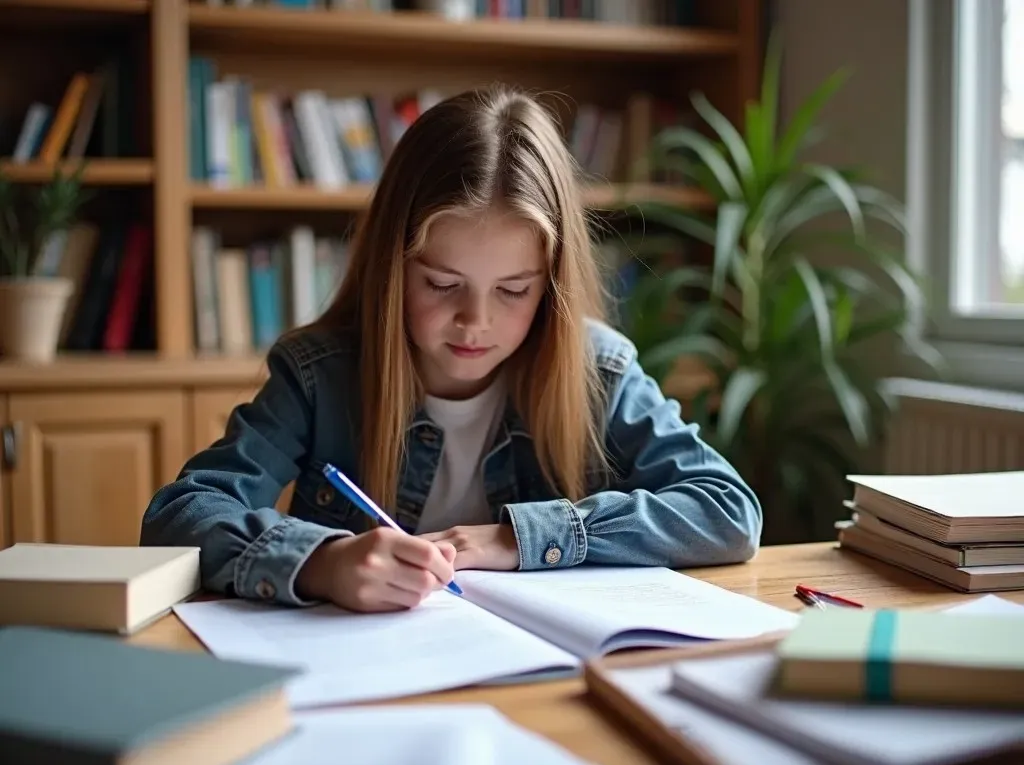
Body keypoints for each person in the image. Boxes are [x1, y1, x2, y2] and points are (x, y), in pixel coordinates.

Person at [140, 84, 762, 614]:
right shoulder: (319, 377)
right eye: (441, 284)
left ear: (552, 285)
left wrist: (520, 539)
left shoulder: (596, 370)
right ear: (393, 269)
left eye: (514, 291)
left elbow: (727, 510)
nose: (475, 322)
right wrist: (320, 562)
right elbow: (180, 513)